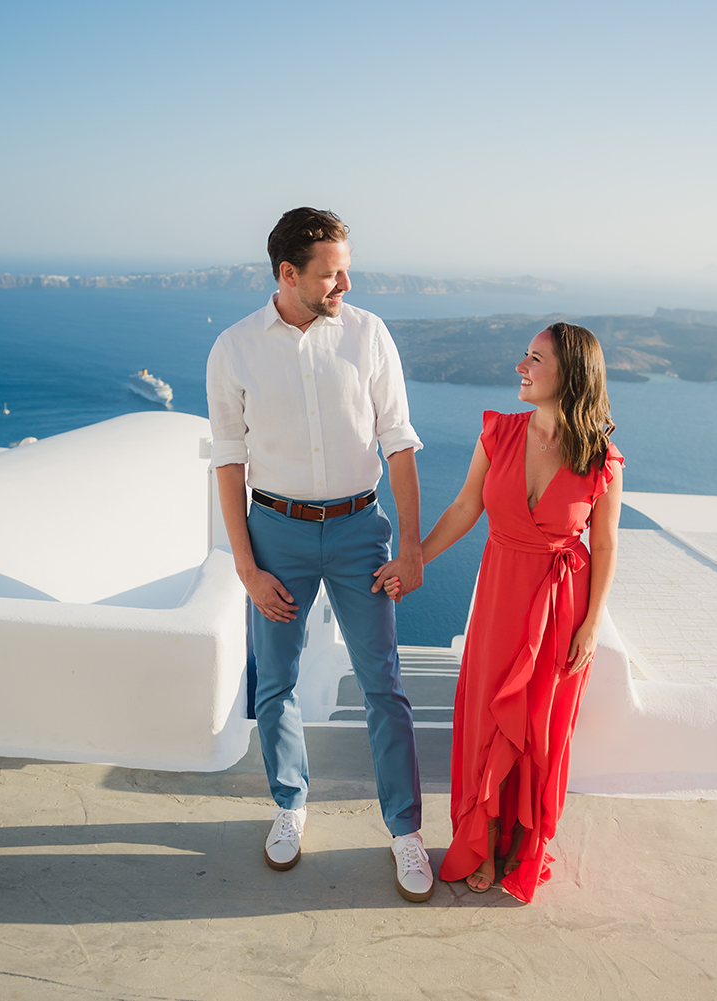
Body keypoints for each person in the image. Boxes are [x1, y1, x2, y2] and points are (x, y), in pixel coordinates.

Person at [205, 207, 435, 902]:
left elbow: (397, 442)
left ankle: (404, 829)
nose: (345, 283)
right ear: (287, 273)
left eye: (345, 269)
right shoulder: (235, 348)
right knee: (274, 682)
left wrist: (414, 545)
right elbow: (227, 461)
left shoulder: (369, 335)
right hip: (276, 532)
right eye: (332, 273)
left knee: (383, 685)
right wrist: (246, 567)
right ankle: (289, 805)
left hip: (361, 530)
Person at [380, 322, 622, 902]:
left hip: (561, 608)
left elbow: (607, 544)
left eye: (535, 359)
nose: (521, 366)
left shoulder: (601, 457)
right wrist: (416, 560)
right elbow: (466, 507)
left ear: (570, 374)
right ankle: (482, 842)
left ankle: (520, 845)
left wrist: (590, 626)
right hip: (499, 598)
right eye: (525, 356)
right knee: (489, 719)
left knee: (539, 730)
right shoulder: (498, 433)